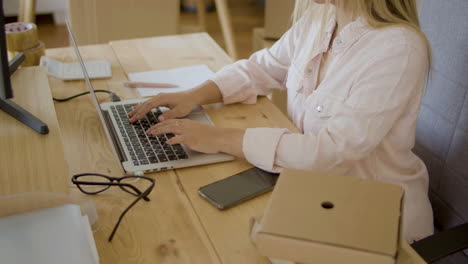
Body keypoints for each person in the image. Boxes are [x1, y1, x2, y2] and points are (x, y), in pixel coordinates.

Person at [129, 0, 433, 242]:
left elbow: (329, 153)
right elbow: (262, 68)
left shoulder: (397, 49)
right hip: (310, 189)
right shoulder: (321, 19)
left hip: (372, 220)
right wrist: (195, 95)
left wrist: (219, 138)